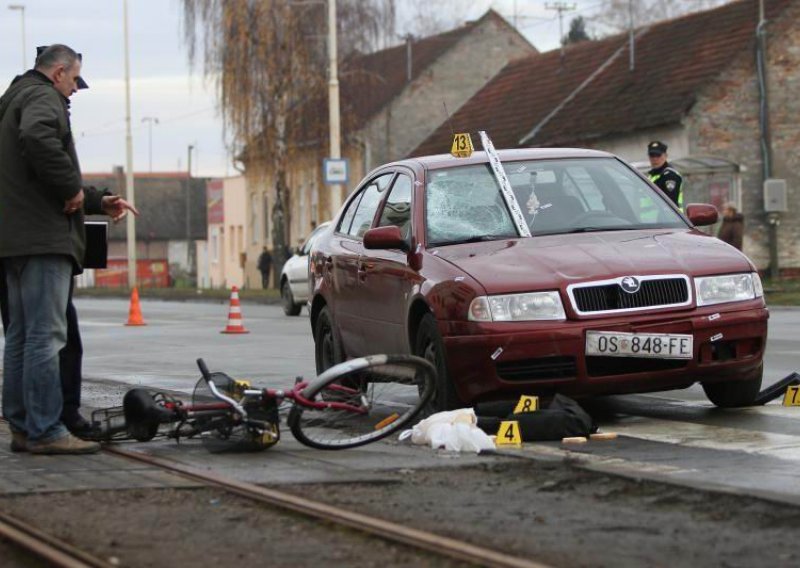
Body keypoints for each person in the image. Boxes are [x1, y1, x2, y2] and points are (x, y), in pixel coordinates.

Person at [0, 45, 138, 454]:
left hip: (14, 240)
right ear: (59, 72)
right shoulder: (44, 98)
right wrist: (73, 190)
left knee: (22, 336)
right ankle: (46, 431)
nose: (76, 89)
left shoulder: (12, 99)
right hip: (42, 239)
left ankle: (23, 426)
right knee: (47, 336)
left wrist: (95, 200)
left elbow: (27, 176)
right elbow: (39, 139)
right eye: (75, 80)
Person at [647, 141, 684, 208]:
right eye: (652, 155)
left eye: (658, 155)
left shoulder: (670, 176)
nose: (655, 158)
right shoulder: (651, 176)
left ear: (666, 156)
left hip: (664, 218)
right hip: (648, 218)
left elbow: (669, 205)